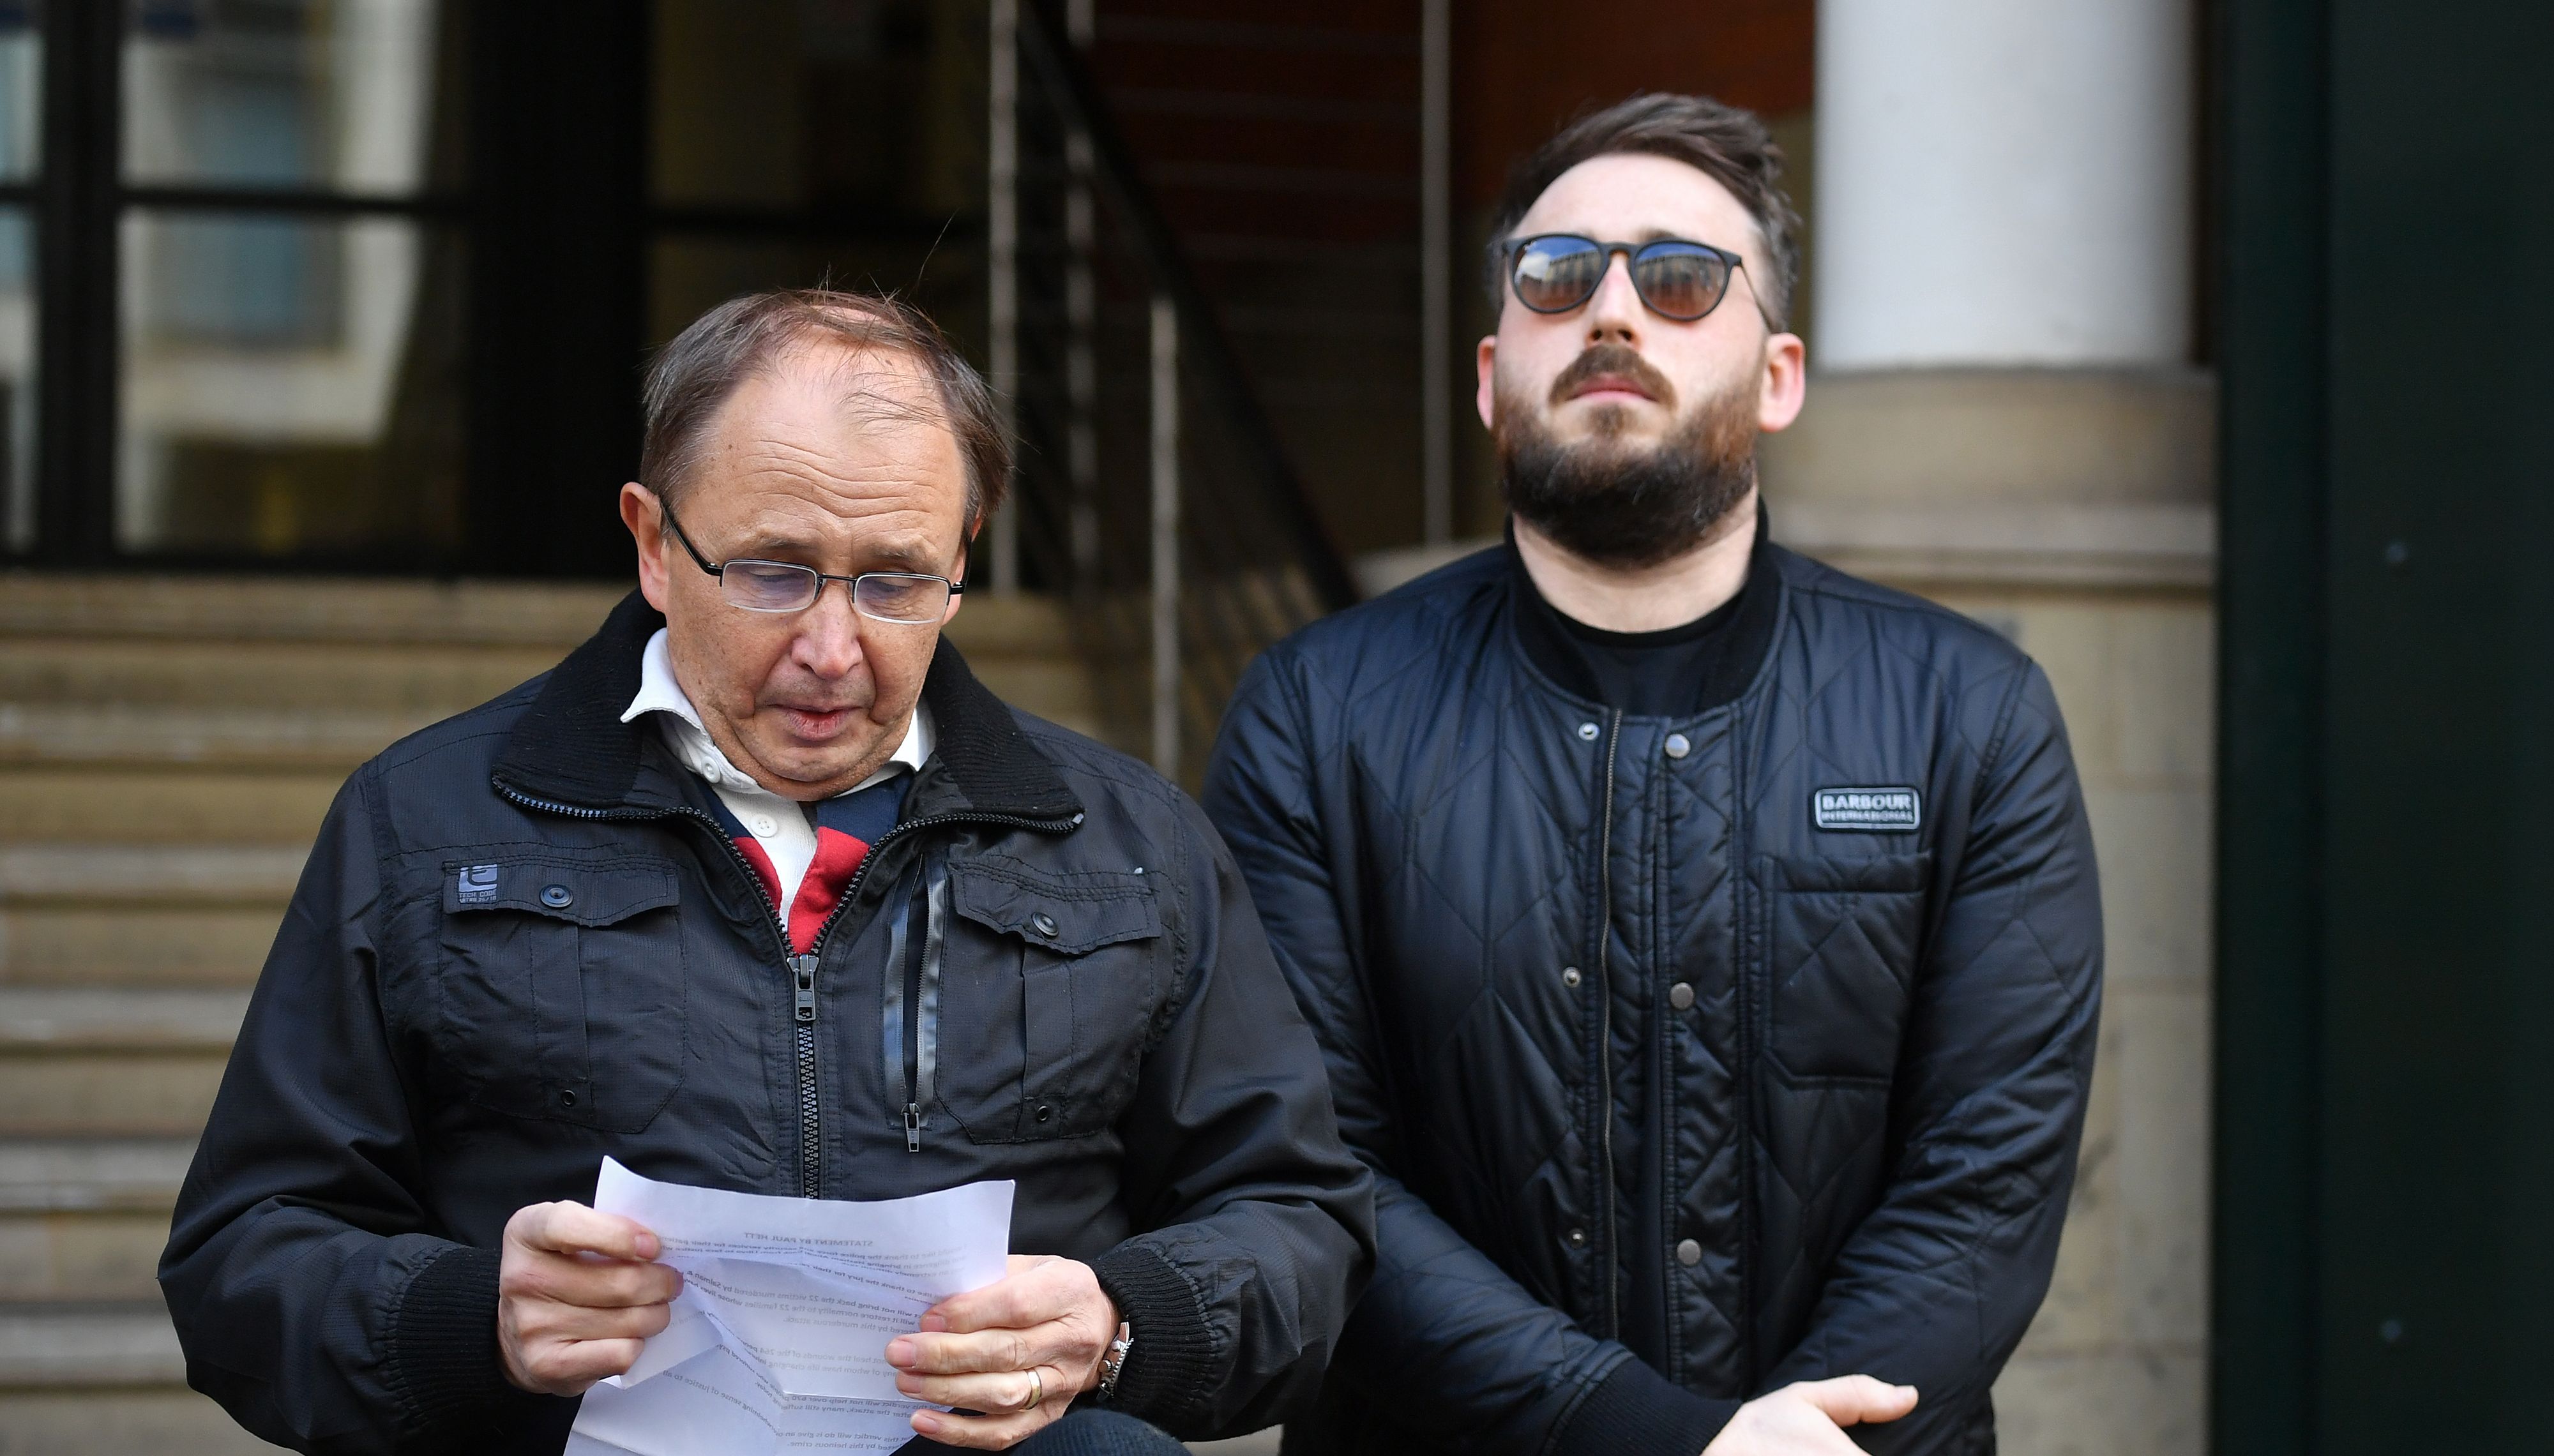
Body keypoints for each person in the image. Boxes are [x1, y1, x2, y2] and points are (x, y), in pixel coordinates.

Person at [160, 289, 1375, 1456]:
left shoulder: (1130, 841)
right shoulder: (423, 822)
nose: (833, 648)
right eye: (775, 571)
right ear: (652, 543)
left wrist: (1121, 1326)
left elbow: (1302, 1225)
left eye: (898, 581)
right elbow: (242, 1255)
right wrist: (463, 1317)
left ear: (965, 553)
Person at [1204, 94, 2101, 1455]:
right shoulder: (1312, 715)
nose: (1612, 312)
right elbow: (1314, 1174)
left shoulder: (1963, 712)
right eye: (1558, 276)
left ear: (1782, 374)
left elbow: (1985, 1175)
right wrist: (1653, 1435)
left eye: (1679, 277)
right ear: (1492, 369)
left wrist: (1792, 1441)